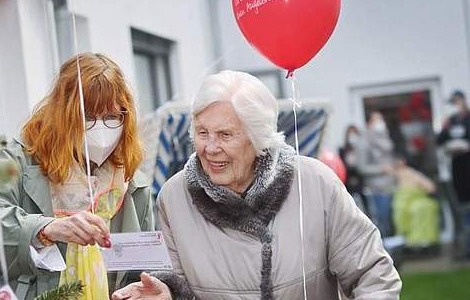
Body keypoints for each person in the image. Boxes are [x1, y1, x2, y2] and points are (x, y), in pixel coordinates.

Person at [112, 70, 401, 299]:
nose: (210, 148)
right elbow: (173, 284)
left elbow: (373, 275)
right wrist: (165, 294)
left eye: (225, 135)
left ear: (258, 138)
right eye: (202, 132)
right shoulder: (174, 197)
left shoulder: (315, 183)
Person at [0, 53, 154, 299]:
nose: (101, 130)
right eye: (88, 117)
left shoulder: (133, 184)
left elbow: (142, 273)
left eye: (112, 117)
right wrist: (44, 230)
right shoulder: (17, 161)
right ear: (63, 115)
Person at [357, 111, 396, 237]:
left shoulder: (385, 139)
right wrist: (382, 169)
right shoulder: (364, 142)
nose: (380, 123)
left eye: (381, 119)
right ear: (369, 123)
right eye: (376, 120)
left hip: (391, 186)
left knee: (391, 222)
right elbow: (362, 167)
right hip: (377, 189)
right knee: (381, 221)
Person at [393, 154, 439, 248]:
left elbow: (431, 187)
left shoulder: (411, 173)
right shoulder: (395, 173)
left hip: (415, 199)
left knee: (421, 208)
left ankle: (421, 242)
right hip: (404, 200)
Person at [437, 90, 470, 204]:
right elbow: (439, 141)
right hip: (457, 161)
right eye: (452, 103)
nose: (455, 105)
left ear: (463, 100)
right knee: (462, 194)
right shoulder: (451, 121)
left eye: (456, 101)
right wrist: (444, 127)